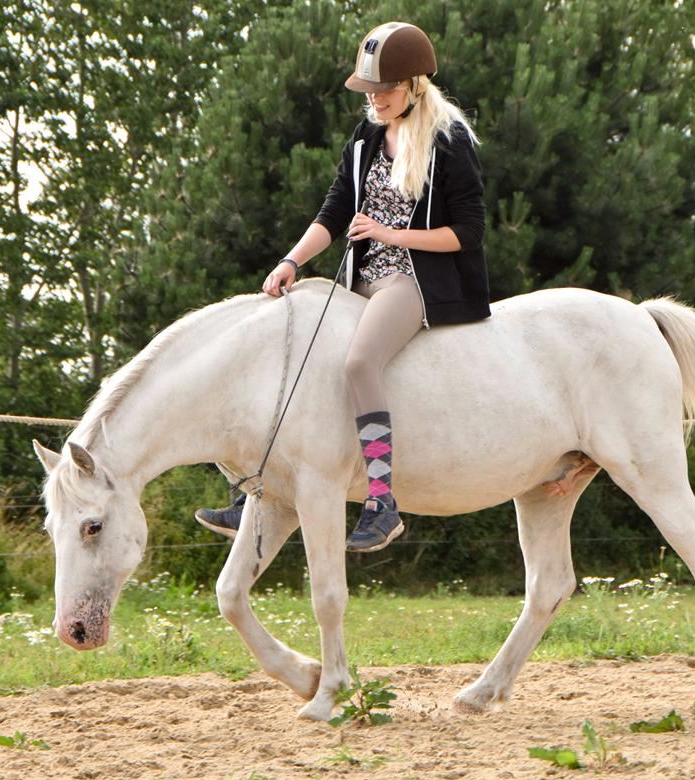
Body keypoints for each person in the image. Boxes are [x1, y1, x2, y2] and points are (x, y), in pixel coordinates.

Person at [195, 21, 490, 552]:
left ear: (416, 85)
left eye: (385, 90)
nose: (374, 99)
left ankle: (383, 501)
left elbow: (468, 233)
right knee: (292, 343)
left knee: (357, 364)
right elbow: (333, 213)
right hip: (361, 277)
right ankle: (258, 491)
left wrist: (388, 233)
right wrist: (290, 260)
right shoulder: (366, 138)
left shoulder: (449, 140)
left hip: (413, 279)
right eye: (369, 90)